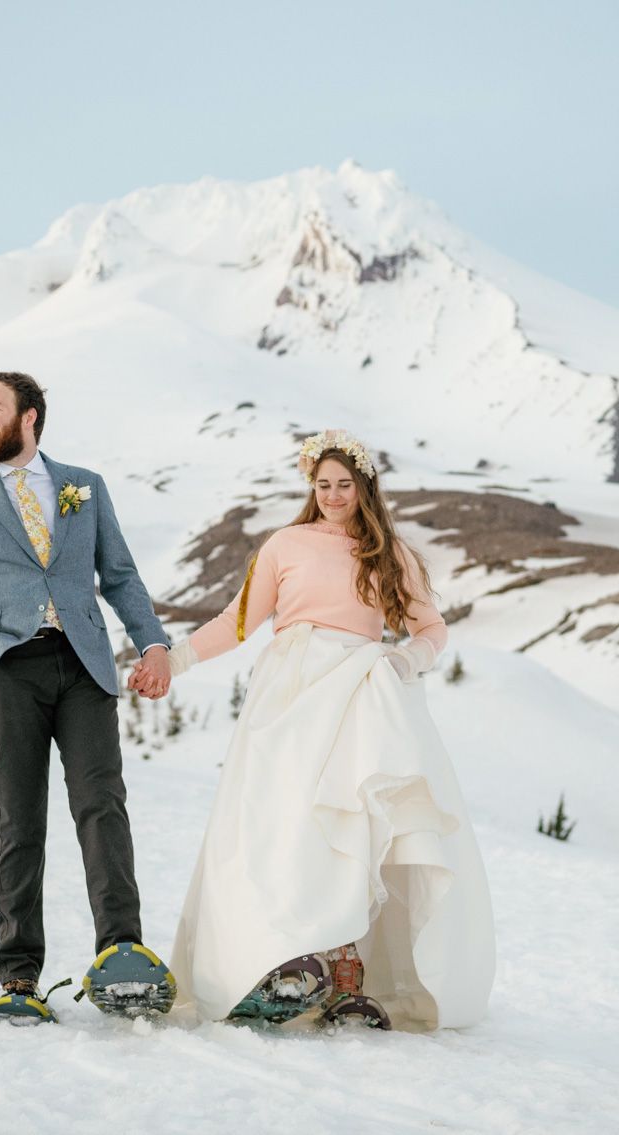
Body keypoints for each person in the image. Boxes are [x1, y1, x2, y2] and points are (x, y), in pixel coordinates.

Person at [143, 428, 495, 1031]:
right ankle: (278, 958)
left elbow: (431, 629)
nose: (333, 495)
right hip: (289, 693)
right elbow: (239, 621)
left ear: (364, 487)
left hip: (361, 691)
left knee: (353, 823)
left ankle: (349, 977)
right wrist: (172, 660)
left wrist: (408, 659)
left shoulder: (391, 554)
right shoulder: (286, 543)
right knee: (281, 823)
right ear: (312, 487)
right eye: (323, 485)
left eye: (344, 485)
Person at [0, 370, 176, 1023]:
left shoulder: (82, 488)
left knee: (102, 804)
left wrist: (152, 644)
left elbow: (118, 575)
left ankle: (121, 951)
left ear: (29, 416)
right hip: (7, 667)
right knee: (20, 818)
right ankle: (16, 975)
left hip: (84, 663)